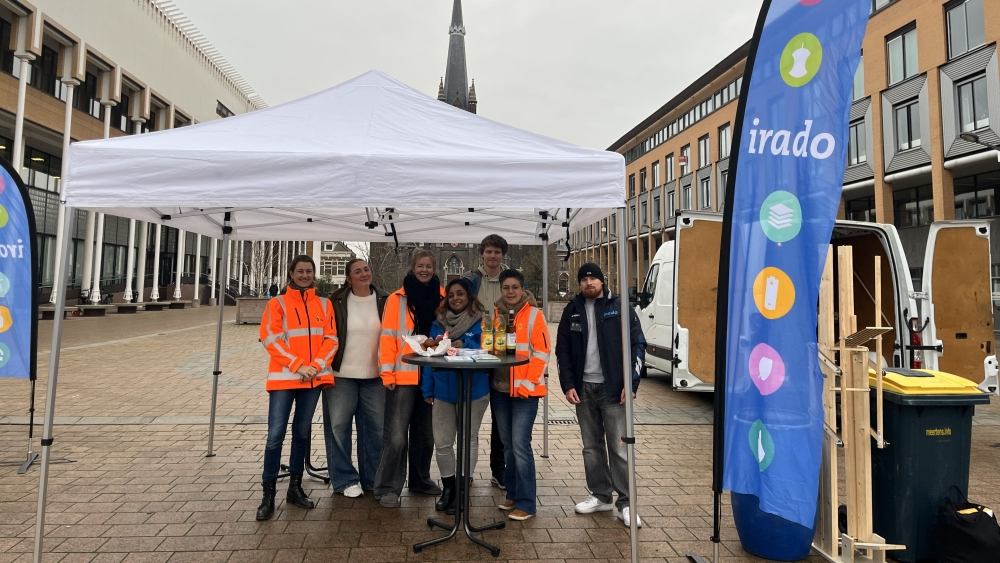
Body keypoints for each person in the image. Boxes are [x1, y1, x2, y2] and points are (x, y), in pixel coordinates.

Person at [556, 263, 645, 528]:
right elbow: (562, 351)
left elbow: (638, 344)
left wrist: (631, 383)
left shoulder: (620, 308)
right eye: (584, 279)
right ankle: (601, 495)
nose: (589, 283)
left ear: (602, 282)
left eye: (593, 278)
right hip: (583, 389)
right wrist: (567, 384)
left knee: (619, 448)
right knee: (591, 448)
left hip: (613, 389)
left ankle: (627, 503)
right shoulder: (572, 310)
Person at [257, 255, 338, 521]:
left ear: (314, 274)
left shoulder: (324, 305)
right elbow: (270, 337)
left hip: (312, 378)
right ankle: (268, 494)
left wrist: (314, 366)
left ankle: (295, 486)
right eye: (300, 271)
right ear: (291, 274)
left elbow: (331, 339)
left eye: (309, 271)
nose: (304, 275)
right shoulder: (277, 303)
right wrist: (299, 365)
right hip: (286, 378)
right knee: (275, 436)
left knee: (302, 433)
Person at [374, 248, 445, 508]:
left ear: (434, 268)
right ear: (412, 268)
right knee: (395, 436)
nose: (424, 270)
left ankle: (420, 479)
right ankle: (387, 487)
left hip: (430, 376)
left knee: (425, 435)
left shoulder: (443, 297)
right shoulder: (397, 299)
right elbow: (388, 338)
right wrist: (387, 373)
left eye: (428, 266)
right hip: (402, 375)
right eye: (420, 266)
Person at [322, 259, 389, 498]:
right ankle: (345, 480)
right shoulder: (336, 301)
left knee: (376, 429)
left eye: (366, 269)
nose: (363, 274)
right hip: (341, 375)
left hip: (375, 375)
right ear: (348, 279)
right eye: (357, 272)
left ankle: (371, 479)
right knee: (339, 427)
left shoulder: (385, 300)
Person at [421, 278, 489, 515]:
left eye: (460, 294)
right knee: (443, 443)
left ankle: (462, 490)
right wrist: (427, 389)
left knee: (468, 440)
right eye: (451, 295)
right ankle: (448, 488)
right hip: (443, 390)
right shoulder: (438, 324)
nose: (456, 298)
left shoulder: (481, 320)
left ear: (469, 297)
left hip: (474, 390)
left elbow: (486, 348)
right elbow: (429, 356)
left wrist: (465, 342)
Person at [490, 269, 549, 521]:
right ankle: (512, 494)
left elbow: (542, 353)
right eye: (506, 288)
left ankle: (527, 502)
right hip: (500, 390)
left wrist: (526, 385)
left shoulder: (535, 315)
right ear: (501, 290)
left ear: (523, 289)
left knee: (520, 445)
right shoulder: (495, 315)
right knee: (508, 446)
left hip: (525, 392)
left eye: (515, 287)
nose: (511, 292)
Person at [462, 234, 509, 491]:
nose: (492, 256)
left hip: (501, 355)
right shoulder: (471, 280)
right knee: (471, 418)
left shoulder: (509, 280)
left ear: (503, 255)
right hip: (475, 355)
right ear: (482, 253)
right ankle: (466, 469)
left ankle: (498, 470)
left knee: (500, 418)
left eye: (497, 252)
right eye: (489, 251)